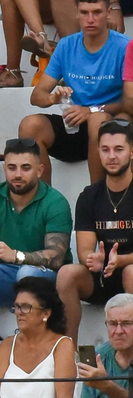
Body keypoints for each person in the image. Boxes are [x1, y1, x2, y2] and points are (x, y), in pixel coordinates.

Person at [21, 0, 128, 187]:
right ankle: (44, 199)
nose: (90, 19)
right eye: (84, 12)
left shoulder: (124, 47)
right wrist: (53, 98)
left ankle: (96, 196)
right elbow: (37, 96)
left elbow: (129, 101)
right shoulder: (66, 45)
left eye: (97, 12)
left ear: (108, 13)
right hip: (75, 124)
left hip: (109, 123)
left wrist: (92, 110)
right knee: (30, 125)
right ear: (76, 13)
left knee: (97, 121)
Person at [0, 138, 72, 319]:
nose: (18, 174)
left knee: (27, 273)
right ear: (4, 169)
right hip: (6, 276)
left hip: (48, 279)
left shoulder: (55, 202)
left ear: (39, 170)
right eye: (12, 168)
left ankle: (31, 331)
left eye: (26, 168)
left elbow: (56, 258)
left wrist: (16, 256)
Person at [58, 123, 133, 340]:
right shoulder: (89, 196)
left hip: (130, 273)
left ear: (131, 152)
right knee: (67, 274)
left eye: (118, 149)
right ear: (98, 152)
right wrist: (92, 260)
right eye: (105, 149)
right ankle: (67, 350)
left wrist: (121, 260)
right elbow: (84, 250)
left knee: (131, 272)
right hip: (101, 277)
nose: (112, 156)